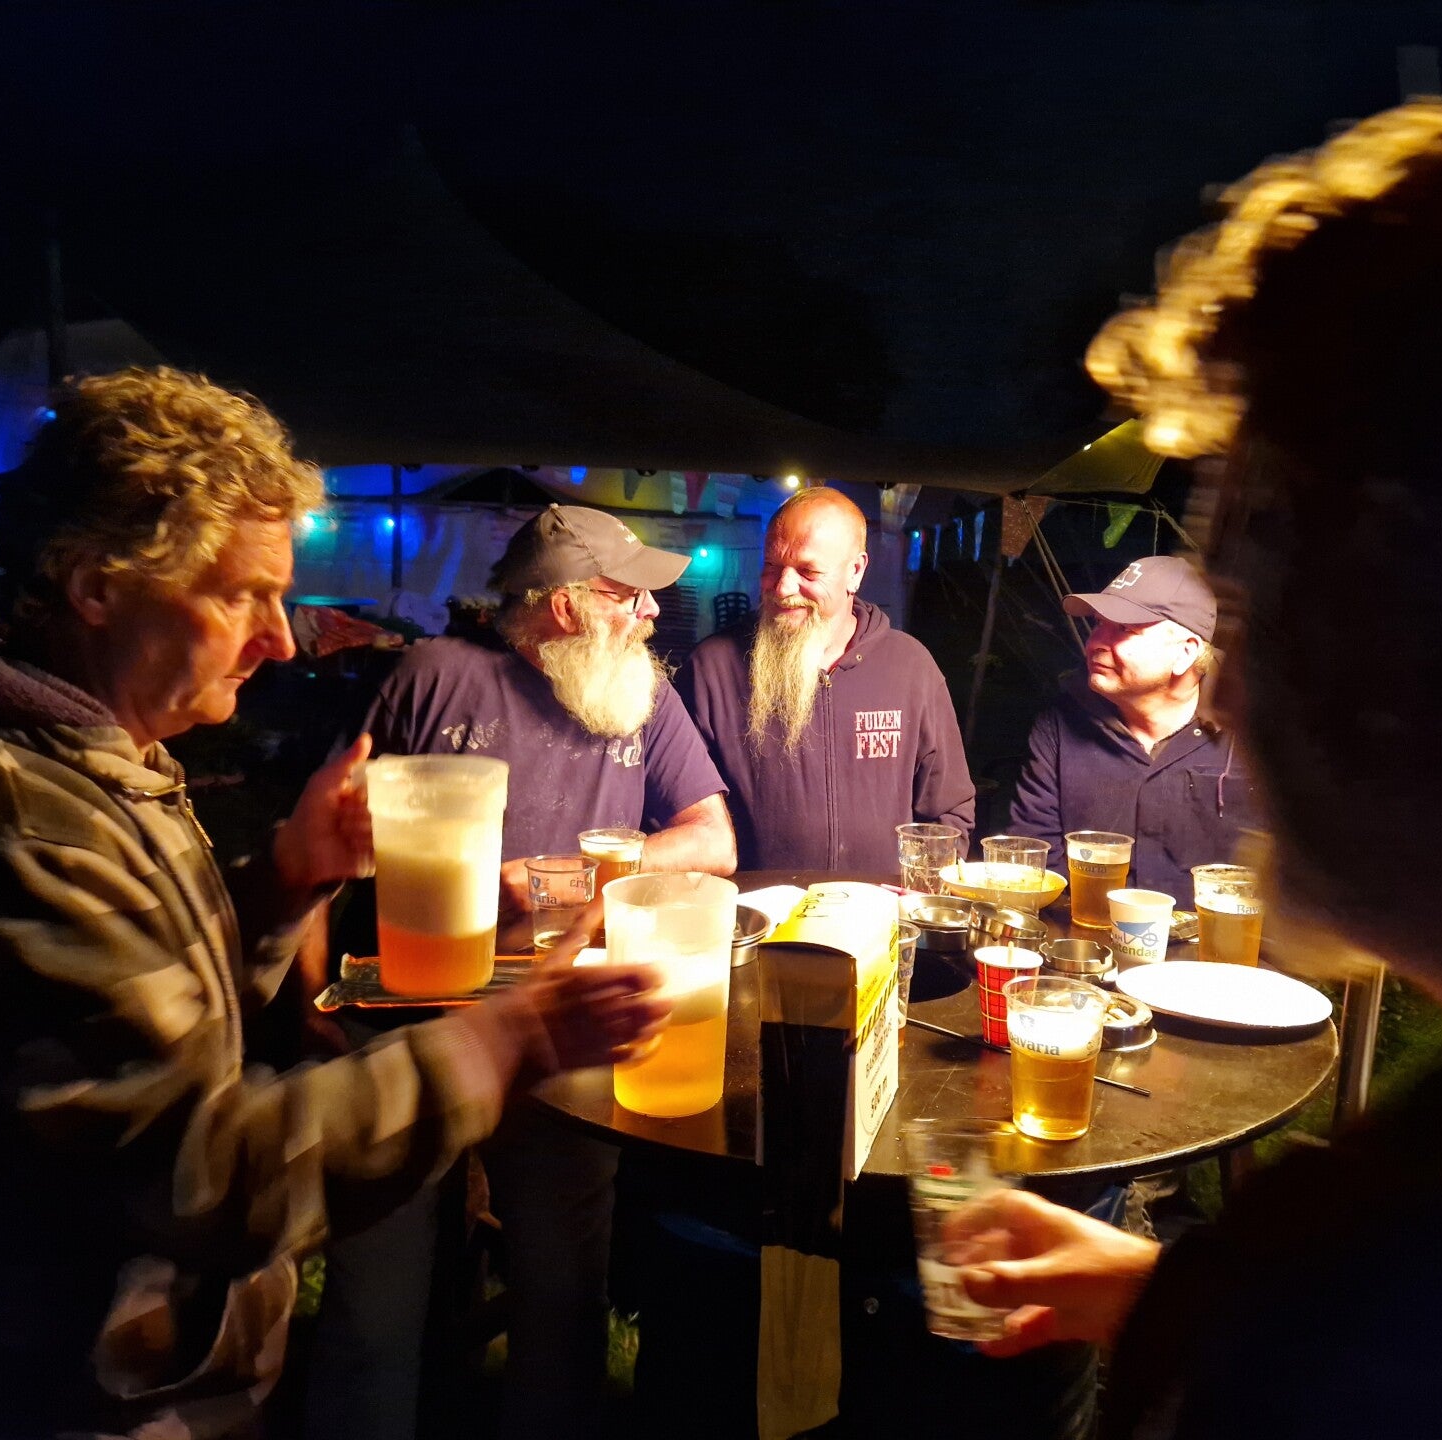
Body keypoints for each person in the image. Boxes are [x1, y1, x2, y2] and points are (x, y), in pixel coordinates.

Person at [951, 82, 1442, 1437]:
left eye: (1251, 604)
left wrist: (1277, 1328)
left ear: (1431, 627)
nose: (1232, 697)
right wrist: (1181, 1296)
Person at [0, 369, 667, 1440]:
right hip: (22, 1396)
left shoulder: (103, 765)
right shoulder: (9, 815)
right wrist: (510, 1041)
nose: (282, 641)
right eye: (241, 595)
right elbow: (204, 1178)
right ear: (96, 585)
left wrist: (283, 886)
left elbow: (146, 1021)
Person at [303, 501, 734, 1440]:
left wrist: (567, 876)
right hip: (408, 1017)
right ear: (566, 605)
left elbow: (713, 837)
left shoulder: (640, 693)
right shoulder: (434, 675)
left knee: (563, 1295)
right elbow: (322, 831)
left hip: (555, 1026)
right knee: (375, 1302)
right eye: (629, 596)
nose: (651, 614)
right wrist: (306, 1000)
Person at [680, 485, 975, 873]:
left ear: (855, 571)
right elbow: (677, 814)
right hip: (751, 908)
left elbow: (949, 813)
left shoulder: (911, 667)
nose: (783, 588)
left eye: (808, 571)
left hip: (881, 906)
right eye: (771, 566)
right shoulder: (712, 669)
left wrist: (920, 890)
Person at [1005, 555, 1256, 905]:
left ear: (1186, 652)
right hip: (1089, 936)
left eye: (1124, 628)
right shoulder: (1060, 726)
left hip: (1213, 941)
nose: (1095, 642)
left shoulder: (1253, 738)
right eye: (1099, 624)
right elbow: (1035, 864)